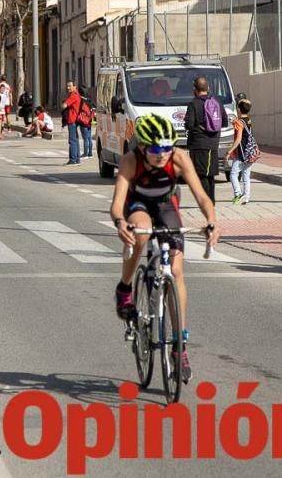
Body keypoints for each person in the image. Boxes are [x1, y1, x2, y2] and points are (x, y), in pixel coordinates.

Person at [110, 114, 219, 383]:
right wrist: (120, 223)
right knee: (142, 235)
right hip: (137, 205)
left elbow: (202, 196)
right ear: (143, 146)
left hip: (167, 204)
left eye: (167, 147)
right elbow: (116, 203)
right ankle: (125, 287)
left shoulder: (179, 158)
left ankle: (179, 347)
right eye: (156, 149)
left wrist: (212, 221)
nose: (163, 154)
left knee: (178, 270)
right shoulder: (131, 160)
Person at [183, 76, 228, 203]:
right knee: (210, 175)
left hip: (198, 144)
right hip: (213, 143)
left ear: (194, 88)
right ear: (207, 88)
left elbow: (189, 124)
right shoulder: (217, 102)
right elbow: (224, 122)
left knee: (201, 174)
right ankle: (210, 200)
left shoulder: (194, 104)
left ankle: (206, 202)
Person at [225, 96, 258, 205]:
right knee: (246, 175)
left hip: (241, 153)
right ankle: (246, 196)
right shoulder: (248, 120)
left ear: (239, 109)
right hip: (250, 152)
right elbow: (244, 128)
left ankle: (238, 193)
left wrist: (230, 151)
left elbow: (238, 139)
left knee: (233, 174)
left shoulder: (239, 122)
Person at [61, 81, 82, 165]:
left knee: (72, 140)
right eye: (67, 86)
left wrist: (63, 105)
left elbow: (64, 105)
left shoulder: (73, 95)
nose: (68, 88)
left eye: (70, 86)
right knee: (75, 140)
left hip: (72, 120)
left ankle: (73, 159)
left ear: (74, 87)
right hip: (74, 120)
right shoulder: (77, 94)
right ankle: (77, 159)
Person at [0, 74, 12, 139]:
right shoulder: (0, 92)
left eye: (4, 89)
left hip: (3, 107)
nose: (3, 90)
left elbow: (10, 94)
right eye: (2, 89)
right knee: (0, 121)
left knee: (1, 121)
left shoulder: (4, 92)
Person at [78, 86, 95, 159]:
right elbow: (93, 107)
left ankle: (85, 153)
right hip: (89, 120)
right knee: (89, 138)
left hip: (83, 121)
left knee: (85, 138)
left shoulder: (81, 100)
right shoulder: (89, 99)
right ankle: (90, 153)